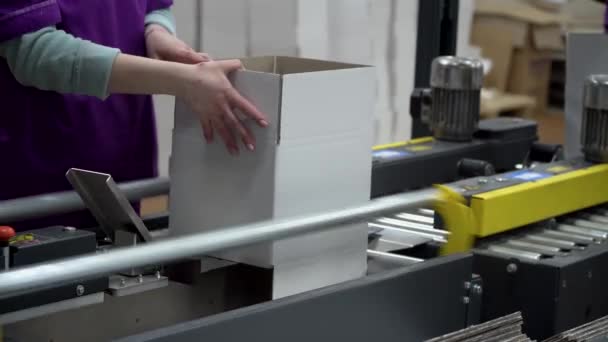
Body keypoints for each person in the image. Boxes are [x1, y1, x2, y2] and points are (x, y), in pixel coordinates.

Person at [0, 1, 268, 231]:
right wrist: (182, 82)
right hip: (36, 178)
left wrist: (156, 31)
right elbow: (36, 52)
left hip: (123, 168)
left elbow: (155, 6)